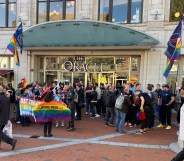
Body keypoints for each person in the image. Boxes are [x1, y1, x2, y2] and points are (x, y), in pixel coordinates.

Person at [0, 86, 17, 150]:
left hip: (1, 118)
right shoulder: (6, 98)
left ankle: (11, 141)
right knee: (0, 132)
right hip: (5, 118)